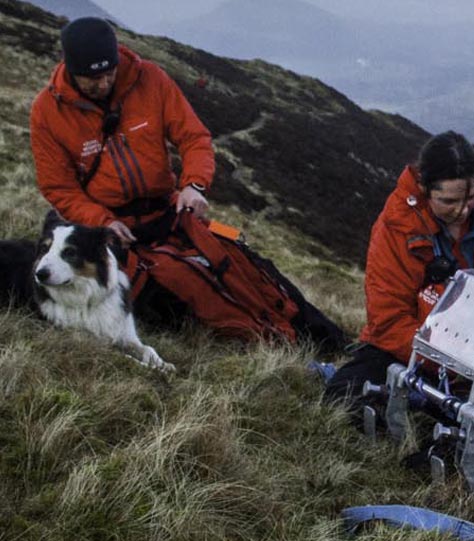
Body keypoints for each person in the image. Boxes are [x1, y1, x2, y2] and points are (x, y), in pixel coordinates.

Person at [29, 17, 345, 350]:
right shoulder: (47, 112)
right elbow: (58, 187)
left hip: (167, 212)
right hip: (111, 230)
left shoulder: (149, 79)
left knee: (246, 266)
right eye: (92, 78)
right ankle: (269, 344)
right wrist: (103, 222)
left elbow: (194, 137)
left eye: (109, 72)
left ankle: (329, 340)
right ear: (70, 68)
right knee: (182, 286)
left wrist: (194, 185)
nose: (104, 82)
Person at [324, 131, 474, 404]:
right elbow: (389, 321)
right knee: (347, 394)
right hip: (416, 351)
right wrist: (450, 363)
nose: (463, 211)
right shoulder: (396, 224)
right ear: (424, 189)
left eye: (471, 196)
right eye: (449, 201)